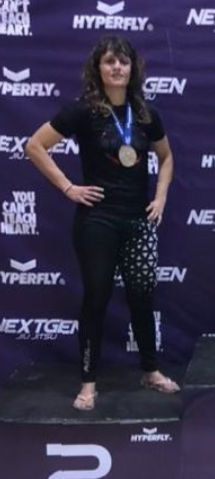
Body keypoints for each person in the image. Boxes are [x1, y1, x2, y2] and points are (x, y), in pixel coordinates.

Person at [26, 35, 179, 410]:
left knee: (142, 298)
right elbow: (34, 145)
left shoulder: (145, 114)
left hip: (138, 222)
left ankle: (150, 370)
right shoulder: (83, 110)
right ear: (98, 68)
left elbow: (167, 156)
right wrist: (68, 187)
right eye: (109, 61)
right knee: (96, 299)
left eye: (123, 62)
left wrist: (159, 197)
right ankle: (89, 383)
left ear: (132, 69)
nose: (117, 68)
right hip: (97, 220)